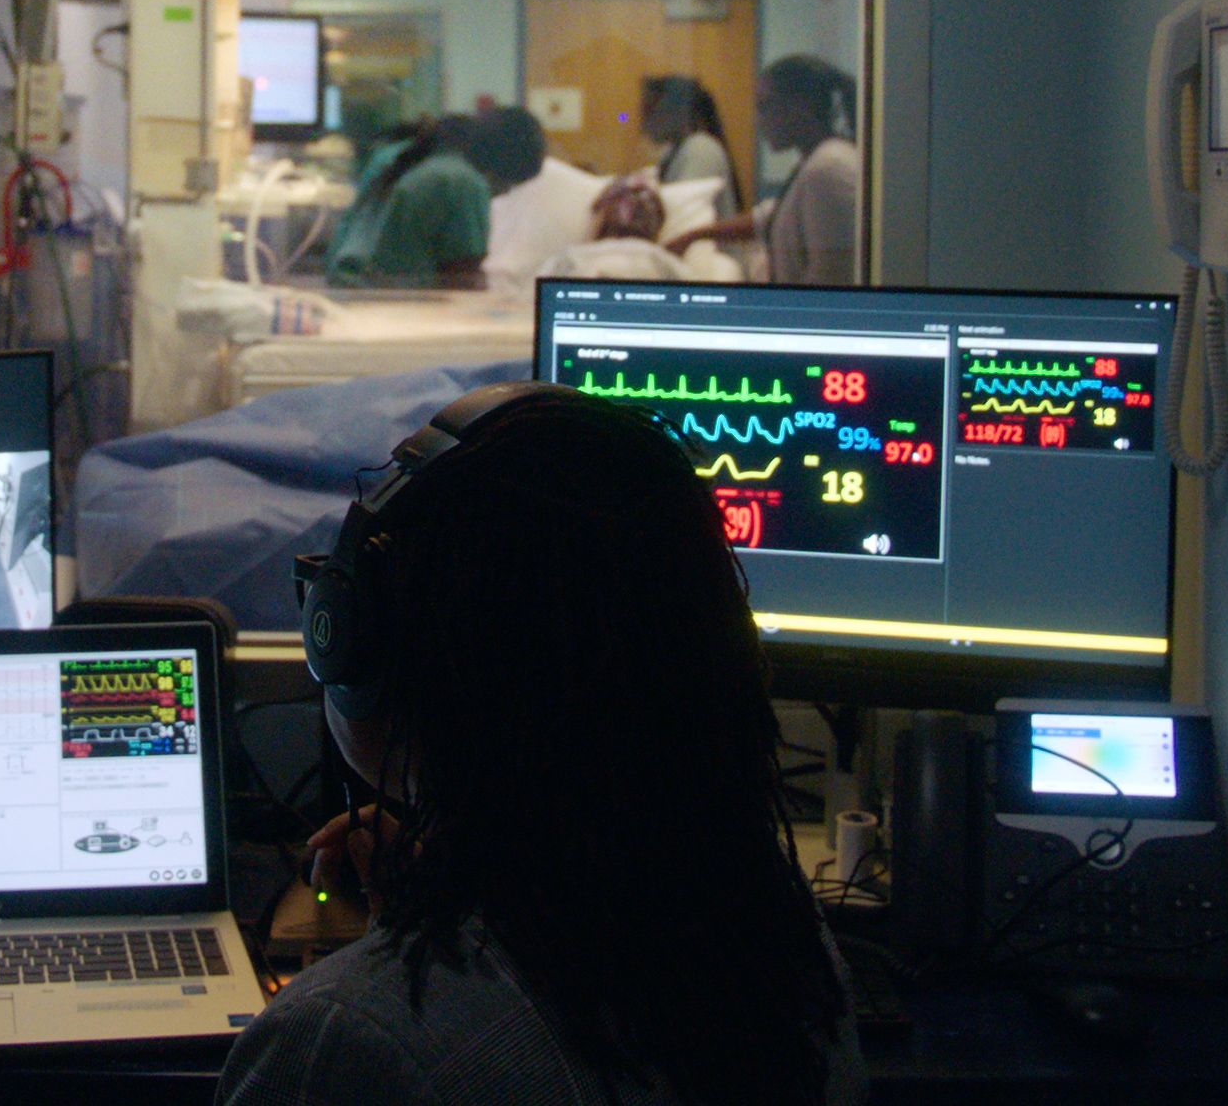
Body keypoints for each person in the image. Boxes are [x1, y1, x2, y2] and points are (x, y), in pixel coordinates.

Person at [220, 384, 863, 1105]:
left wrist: (404, 972)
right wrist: (437, 913)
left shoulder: (346, 1041)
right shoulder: (787, 941)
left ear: (362, 640)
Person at [667, 55, 859, 285]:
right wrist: (693, 235)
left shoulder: (829, 168)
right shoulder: (818, 161)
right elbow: (768, 218)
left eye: (765, 106)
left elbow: (831, 277)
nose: (759, 121)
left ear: (799, 105)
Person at [322, 115, 496, 290]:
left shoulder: (403, 159)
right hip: (397, 295)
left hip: (357, 283)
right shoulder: (462, 181)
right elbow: (462, 269)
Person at [639, 74, 743, 212]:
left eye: (649, 111)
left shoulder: (700, 149)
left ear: (675, 112)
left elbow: (680, 211)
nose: (643, 122)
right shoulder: (673, 151)